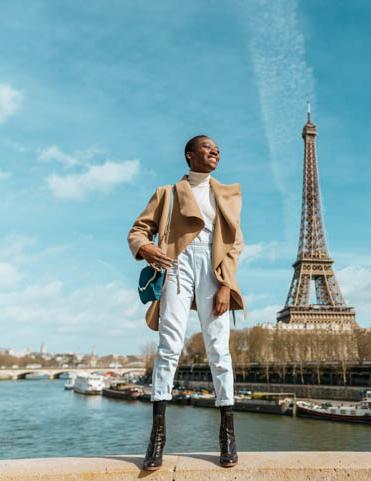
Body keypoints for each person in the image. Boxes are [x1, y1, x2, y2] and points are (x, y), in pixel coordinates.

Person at [128, 135, 245, 470]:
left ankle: (227, 433)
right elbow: (138, 230)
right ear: (189, 155)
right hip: (176, 265)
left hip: (213, 268)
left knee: (219, 349)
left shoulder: (228, 194)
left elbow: (234, 244)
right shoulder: (167, 194)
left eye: (218, 150)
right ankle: (158, 436)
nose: (215, 152)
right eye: (207, 148)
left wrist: (226, 283)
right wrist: (145, 247)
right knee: (168, 346)